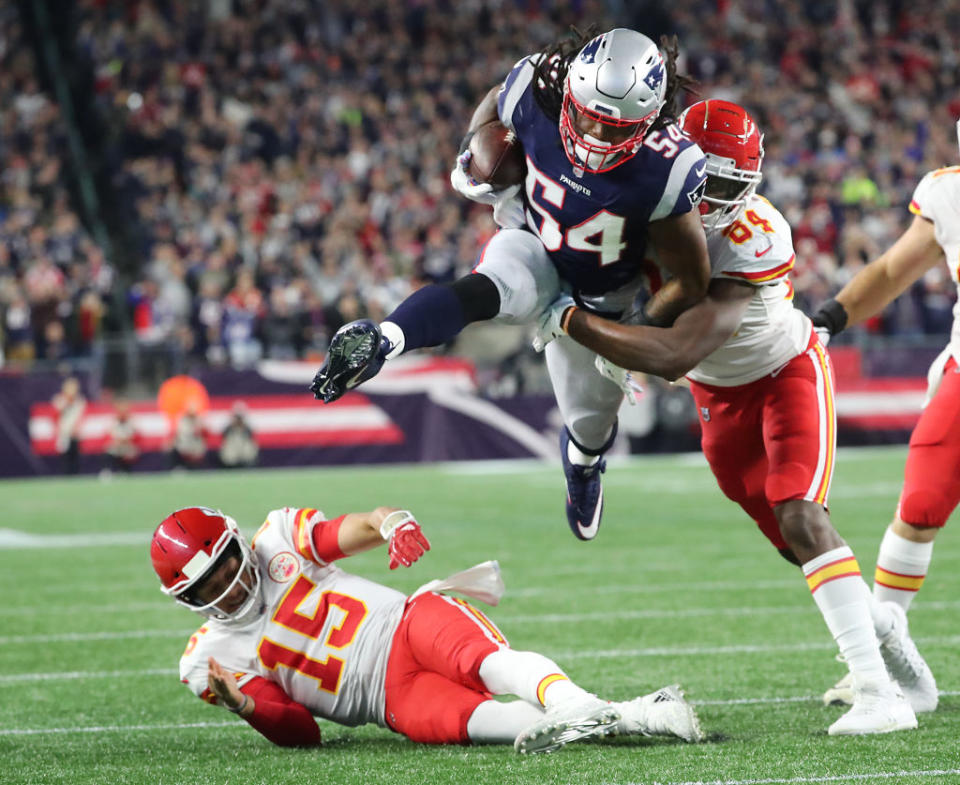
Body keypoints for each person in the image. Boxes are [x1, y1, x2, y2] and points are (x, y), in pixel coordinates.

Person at [532, 99, 936, 736]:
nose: (713, 199)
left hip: (785, 376)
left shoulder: (755, 233)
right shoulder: (640, 197)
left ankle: (876, 691)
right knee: (796, 549)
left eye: (728, 186)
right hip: (717, 400)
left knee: (800, 514)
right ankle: (890, 637)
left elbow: (674, 354)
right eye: (704, 180)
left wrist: (569, 320)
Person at [310, 27, 711, 540]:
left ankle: (583, 465)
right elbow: (498, 102)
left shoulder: (668, 167)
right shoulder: (535, 87)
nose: (595, 136)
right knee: (492, 284)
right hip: (534, 240)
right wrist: (472, 150)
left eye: (616, 127)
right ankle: (386, 337)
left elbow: (691, 279)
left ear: (650, 118)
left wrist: (638, 328)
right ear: (570, 90)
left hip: (604, 294)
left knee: (589, 426)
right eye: (588, 114)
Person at [150, 505, 703, 753]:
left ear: (236, 541)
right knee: (497, 724)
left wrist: (390, 523)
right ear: (188, 600)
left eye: (224, 562)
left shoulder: (278, 540)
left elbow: (359, 524)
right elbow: (304, 734)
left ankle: (579, 701)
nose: (227, 584)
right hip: (391, 701)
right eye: (206, 586)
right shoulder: (211, 658)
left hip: (404, 624)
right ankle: (639, 712)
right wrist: (244, 706)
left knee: (487, 662)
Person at [812, 121, 960, 709]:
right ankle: (886, 651)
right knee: (920, 504)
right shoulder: (950, 193)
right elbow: (895, 271)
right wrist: (831, 317)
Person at [52, 376, 86, 474]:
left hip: (75, 433)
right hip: (64, 433)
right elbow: (57, 414)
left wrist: (76, 429)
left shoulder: (80, 401)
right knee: (65, 458)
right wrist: (67, 401)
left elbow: (81, 416)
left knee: (75, 456)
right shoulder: (60, 400)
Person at [218, 402, 259, 469]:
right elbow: (223, 436)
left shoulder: (247, 428)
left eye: (240, 418)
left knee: (249, 448)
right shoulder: (229, 428)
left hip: (243, 451)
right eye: (237, 417)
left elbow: (252, 437)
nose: (239, 420)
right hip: (233, 452)